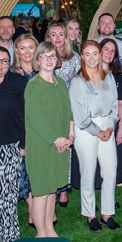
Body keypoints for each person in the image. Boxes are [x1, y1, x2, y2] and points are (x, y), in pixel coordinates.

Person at [24, 41, 75, 237]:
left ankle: (49, 228)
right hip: (42, 145)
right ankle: (41, 232)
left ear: (57, 59)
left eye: (52, 56)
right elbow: (34, 118)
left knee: (52, 189)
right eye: (44, 56)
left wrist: (71, 134)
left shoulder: (60, 83)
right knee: (41, 191)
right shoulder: (33, 85)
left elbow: (68, 111)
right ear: (37, 60)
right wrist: (55, 139)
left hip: (61, 145)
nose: (48, 60)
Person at [70, 40, 121, 232]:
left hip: (107, 125)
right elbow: (78, 112)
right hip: (86, 130)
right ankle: (90, 214)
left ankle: (107, 213)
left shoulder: (108, 77)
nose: (92, 58)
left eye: (95, 53)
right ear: (82, 56)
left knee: (110, 172)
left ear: (100, 55)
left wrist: (110, 126)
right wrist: (96, 130)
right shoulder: (76, 81)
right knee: (88, 172)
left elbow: (115, 104)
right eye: (87, 54)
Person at [0, 46, 27, 242]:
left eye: (4, 61)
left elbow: (27, 114)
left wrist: (25, 143)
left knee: (8, 195)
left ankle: (10, 238)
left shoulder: (18, 82)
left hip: (10, 145)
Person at [47, 23, 80, 207]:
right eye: (54, 34)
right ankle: (51, 185)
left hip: (68, 107)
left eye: (61, 34)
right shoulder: (43, 57)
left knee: (67, 145)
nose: (58, 38)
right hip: (48, 107)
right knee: (52, 145)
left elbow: (80, 82)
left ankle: (64, 188)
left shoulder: (74, 58)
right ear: (48, 38)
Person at [100, 38, 122, 199]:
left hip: (112, 124)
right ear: (99, 50)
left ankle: (108, 199)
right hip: (93, 126)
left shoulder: (117, 75)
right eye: (106, 49)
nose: (109, 53)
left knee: (109, 166)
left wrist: (121, 128)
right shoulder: (88, 73)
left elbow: (121, 103)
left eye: (113, 51)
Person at [11, 33, 38, 223]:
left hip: (41, 128)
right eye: (23, 48)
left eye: (31, 47)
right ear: (16, 51)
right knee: (22, 169)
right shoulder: (10, 74)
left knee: (38, 168)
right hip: (19, 127)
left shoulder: (43, 70)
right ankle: (31, 207)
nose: (27, 52)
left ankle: (40, 203)